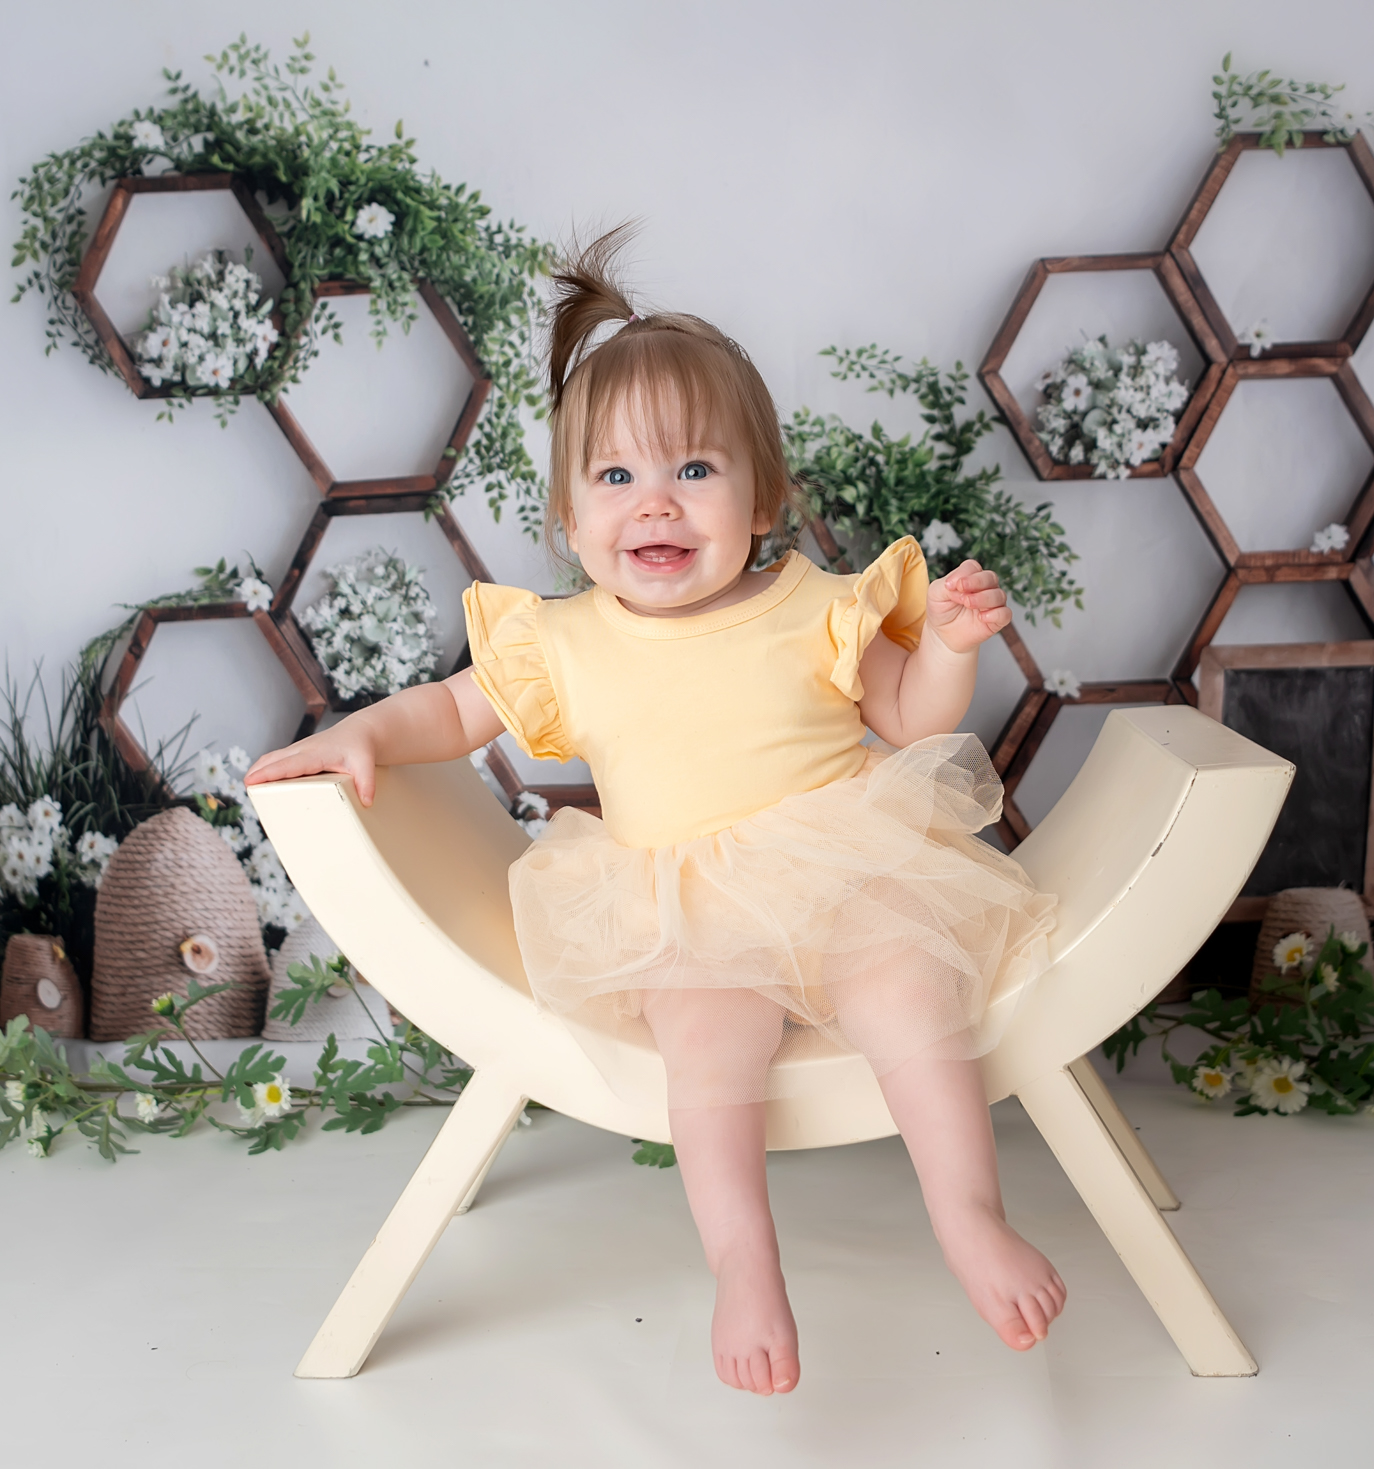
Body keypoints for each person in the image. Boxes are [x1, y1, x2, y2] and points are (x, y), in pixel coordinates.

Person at [245, 229, 1064, 1397]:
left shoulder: (813, 603)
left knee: (906, 986)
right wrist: (363, 732)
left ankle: (970, 1214)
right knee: (705, 1039)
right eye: (615, 479)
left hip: (845, 866)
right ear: (570, 519)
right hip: (683, 903)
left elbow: (906, 714)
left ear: (762, 495)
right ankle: (743, 1262)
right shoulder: (565, 640)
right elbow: (453, 708)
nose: (655, 505)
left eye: (694, 469)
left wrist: (944, 646)